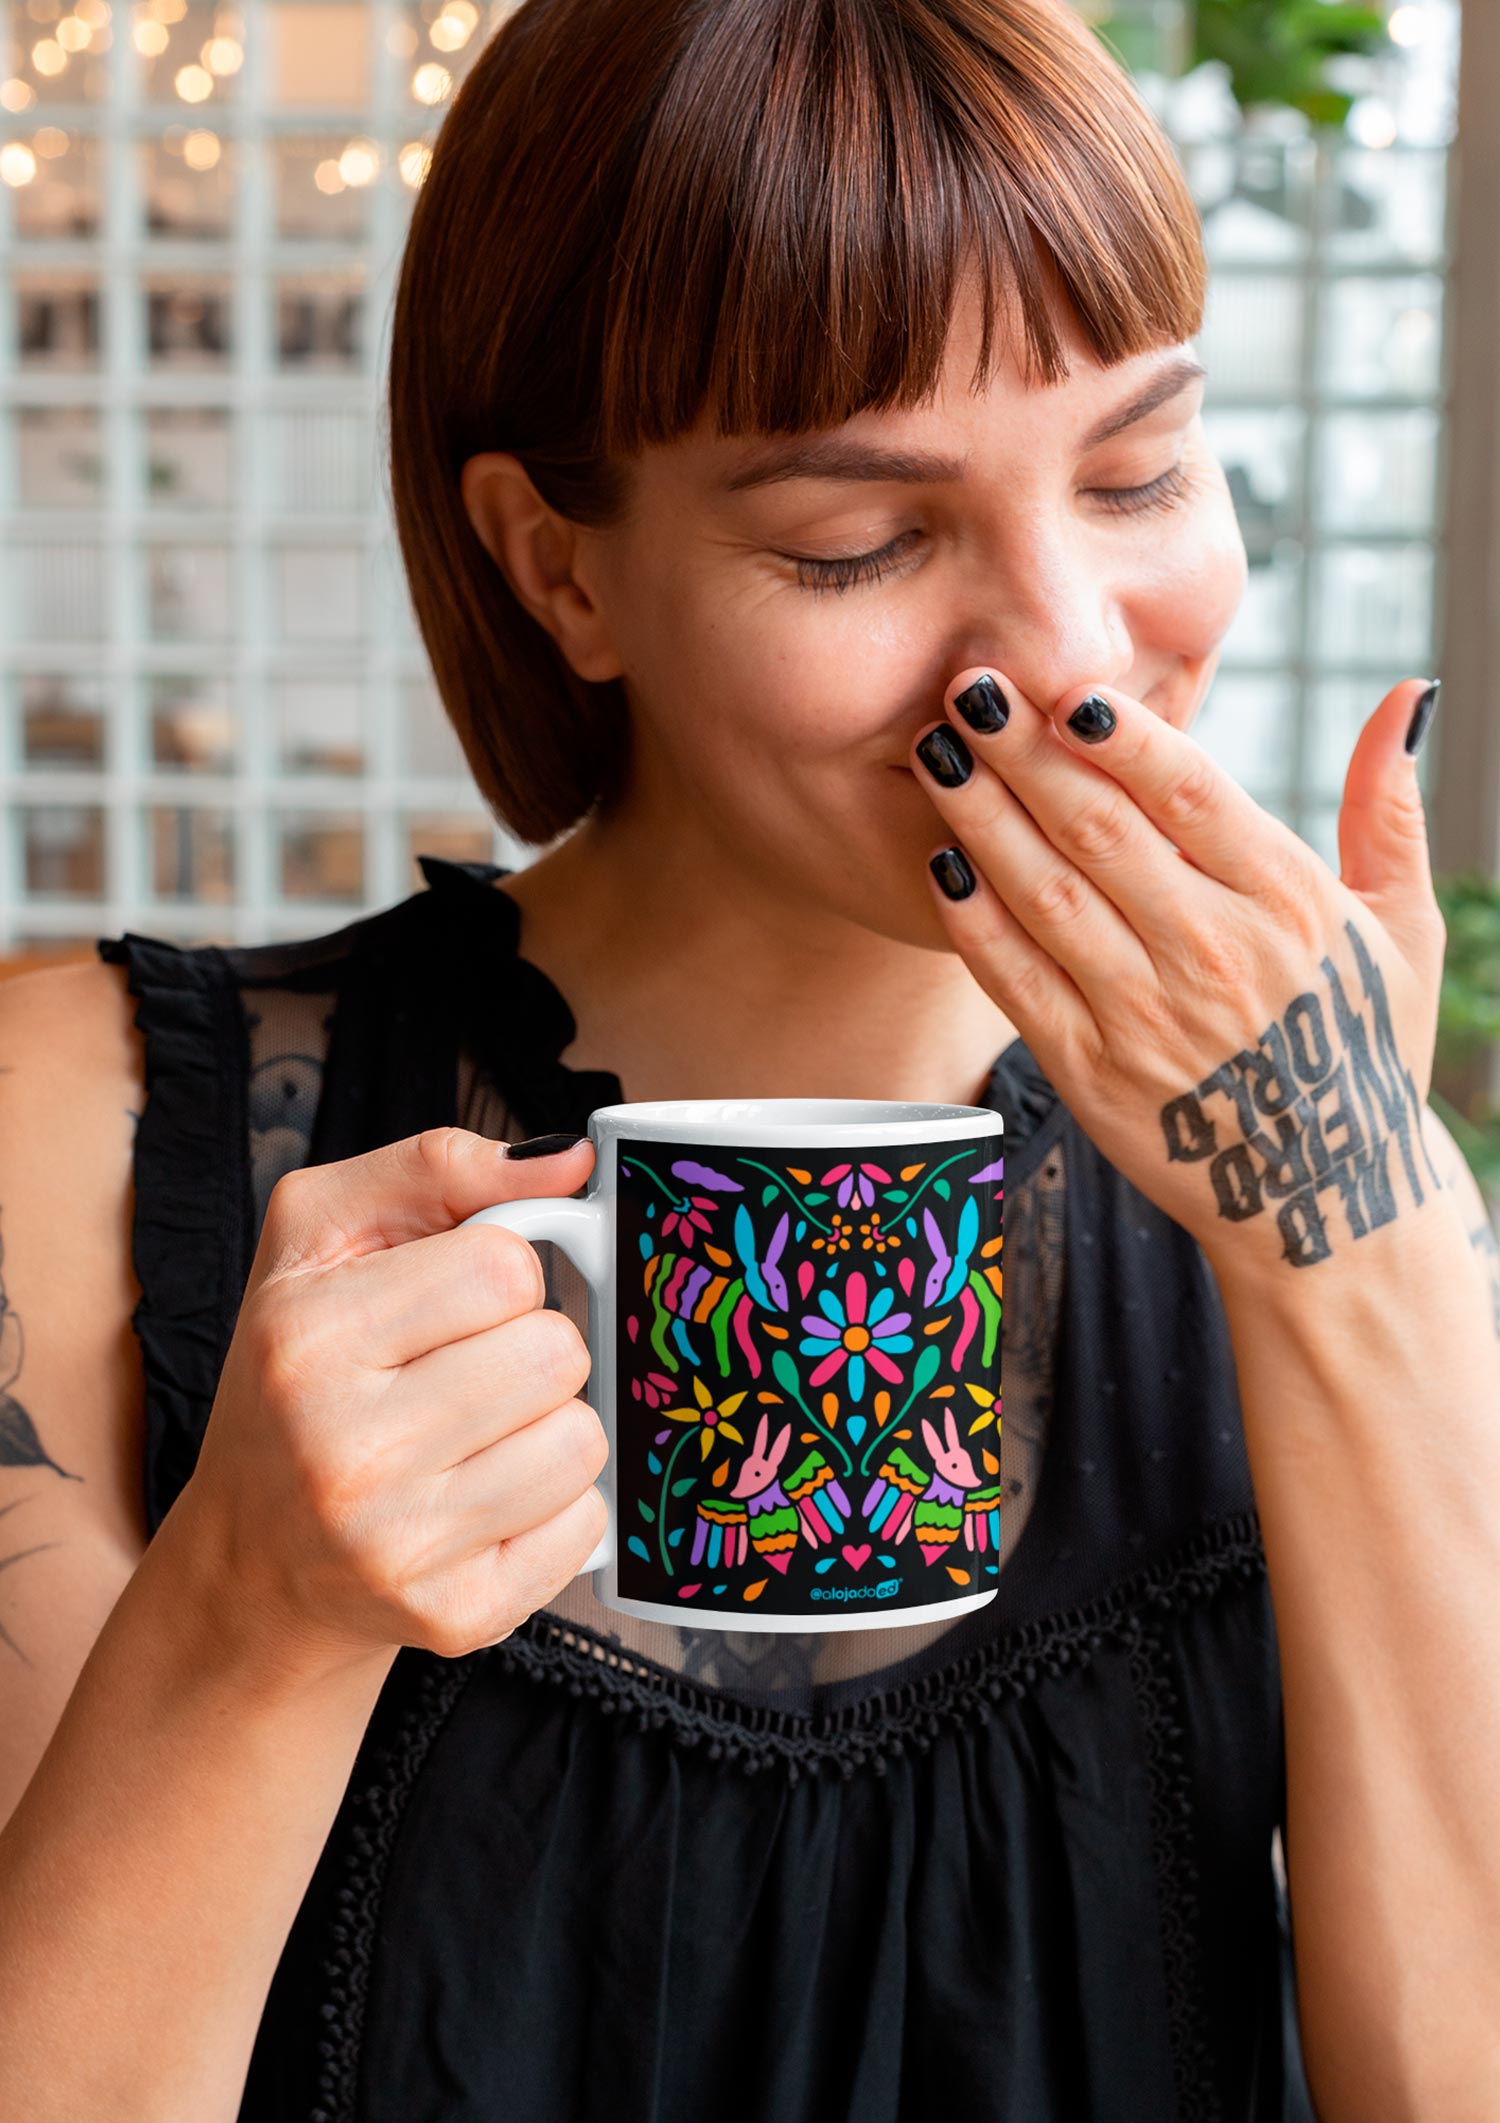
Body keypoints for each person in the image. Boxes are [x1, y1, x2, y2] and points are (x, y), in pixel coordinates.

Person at [1, 1, 1496, 2118]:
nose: (1068, 646)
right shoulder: (84, 1134)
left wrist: (1365, 1246)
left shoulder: (1325, 1167)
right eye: (856, 543)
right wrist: (254, 1618)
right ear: (559, 565)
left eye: (1146, 467)